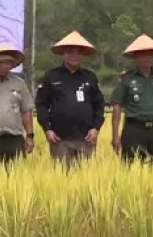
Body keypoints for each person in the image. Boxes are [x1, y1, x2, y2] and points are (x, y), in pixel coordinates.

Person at [35, 31, 106, 167]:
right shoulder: (51, 76)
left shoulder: (90, 77)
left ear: (82, 56)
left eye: (78, 52)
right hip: (60, 139)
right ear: (64, 54)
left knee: (87, 180)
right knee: (62, 180)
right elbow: (41, 104)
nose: (74, 55)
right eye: (70, 52)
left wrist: (96, 128)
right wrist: (47, 129)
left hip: (86, 138)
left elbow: (99, 104)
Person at [109, 34, 153, 164]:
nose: (147, 58)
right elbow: (117, 106)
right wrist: (115, 135)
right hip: (134, 129)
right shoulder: (127, 79)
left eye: (150, 55)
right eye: (143, 54)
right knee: (130, 169)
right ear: (136, 57)